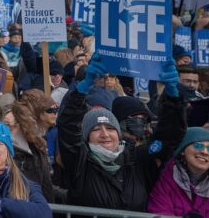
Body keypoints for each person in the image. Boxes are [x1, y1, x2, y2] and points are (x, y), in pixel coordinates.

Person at [57, 54, 186, 211]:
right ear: (87, 137)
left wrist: (173, 97)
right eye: (96, 129)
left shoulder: (136, 159)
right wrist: (83, 88)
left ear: (118, 133)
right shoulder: (80, 161)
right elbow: (68, 127)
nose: (105, 134)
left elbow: (168, 138)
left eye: (110, 129)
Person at [148, 127, 209, 217]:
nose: (205, 152)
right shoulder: (167, 180)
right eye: (198, 145)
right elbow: (159, 212)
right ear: (182, 150)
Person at [0, 102, 54, 202]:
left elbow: (46, 186)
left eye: (16, 124)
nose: (11, 129)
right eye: (6, 124)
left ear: (24, 125)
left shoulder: (37, 150)